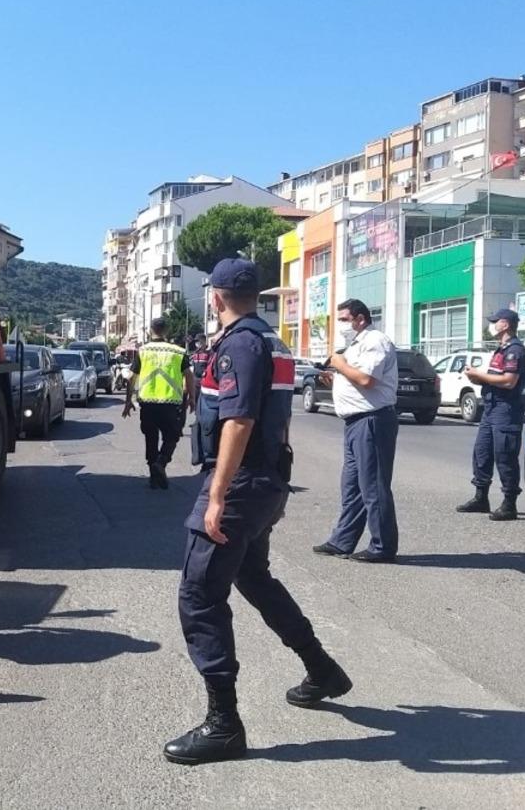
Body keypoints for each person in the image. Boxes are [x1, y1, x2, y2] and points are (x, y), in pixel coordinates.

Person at [165, 258, 351, 766]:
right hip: (264, 480)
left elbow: (239, 420)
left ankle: (223, 724)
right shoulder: (272, 341)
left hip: (242, 481)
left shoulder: (240, 344)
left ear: (217, 297)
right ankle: (323, 670)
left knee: (199, 594)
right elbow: (278, 419)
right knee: (256, 579)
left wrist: (220, 495)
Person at [313, 298, 400, 563]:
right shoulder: (355, 345)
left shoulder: (375, 341)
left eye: (343, 319)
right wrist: (335, 376)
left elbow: (366, 379)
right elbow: (356, 377)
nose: (340, 325)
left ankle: (382, 546)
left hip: (372, 421)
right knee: (351, 486)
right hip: (354, 423)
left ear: (360, 319)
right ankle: (343, 540)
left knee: (372, 485)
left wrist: (339, 365)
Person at [455, 309, 525, 521]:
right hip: (490, 407)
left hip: (506, 409)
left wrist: (480, 375)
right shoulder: (501, 350)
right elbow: (494, 378)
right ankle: (481, 497)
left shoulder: (515, 350)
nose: (492, 325)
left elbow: (509, 381)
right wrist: (476, 377)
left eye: (495, 321)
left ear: (505, 324)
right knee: (482, 452)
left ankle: (509, 504)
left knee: (504, 455)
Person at [123, 317, 196, 489]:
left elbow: (131, 378)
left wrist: (128, 401)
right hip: (171, 403)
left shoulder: (143, 351)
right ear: (167, 331)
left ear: (150, 330)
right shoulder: (178, 352)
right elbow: (189, 376)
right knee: (172, 436)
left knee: (151, 437)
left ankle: (153, 474)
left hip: (147, 402)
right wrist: (192, 397)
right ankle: (161, 463)